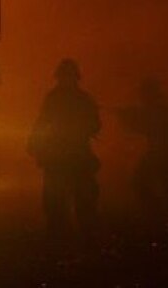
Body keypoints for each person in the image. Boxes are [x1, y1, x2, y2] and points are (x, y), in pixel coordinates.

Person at [27, 58, 101, 254]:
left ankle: (87, 241)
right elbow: (42, 121)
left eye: (68, 76)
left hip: (76, 157)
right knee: (55, 203)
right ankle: (60, 241)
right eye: (63, 76)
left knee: (84, 202)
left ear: (74, 77)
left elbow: (95, 124)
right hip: (59, 157)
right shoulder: (58, 99)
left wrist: (80, 129)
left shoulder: (81, 99)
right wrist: (34, 142)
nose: (65, 80)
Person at [117, 77, 168, 233]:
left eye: (144, 93)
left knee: (162, 186)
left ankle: (164, 219)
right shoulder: (160, 109)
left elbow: (146, 127)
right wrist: (127, 116)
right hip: (160, 153)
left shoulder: (160, 111)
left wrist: (127, 117)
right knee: (160, 186)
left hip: (165, 154)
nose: (142, 97)